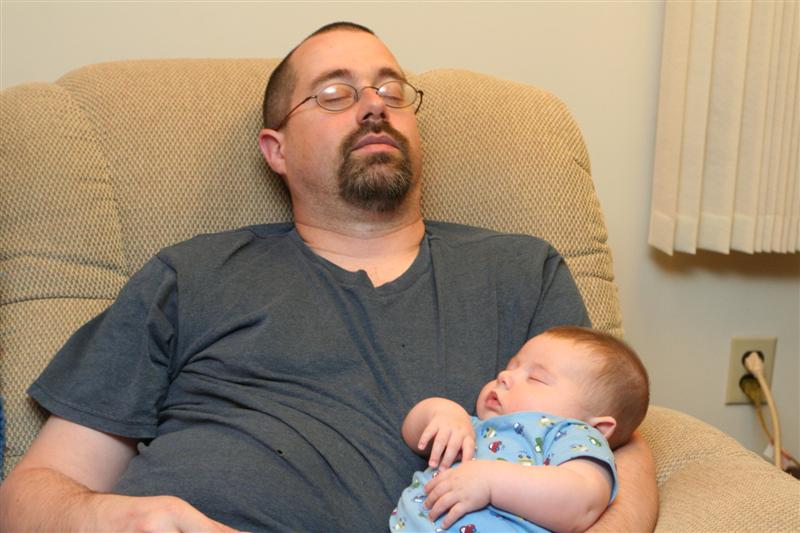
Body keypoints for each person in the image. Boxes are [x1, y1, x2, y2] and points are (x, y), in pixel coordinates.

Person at [0, 22, 658, 532]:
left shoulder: (519, 271)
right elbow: (33, 490)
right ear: (277, 150)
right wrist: (120, 518)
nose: (373, 107)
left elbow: (617, 446)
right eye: (335, 94)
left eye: (391, 90)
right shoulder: (190, 274)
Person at [390, 326, 649, 532]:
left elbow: (583, 504)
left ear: (597, 428)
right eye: (511, 366)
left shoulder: (570, 436)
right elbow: (414, 436)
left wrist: (491, 483)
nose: (504, 376)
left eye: (535, 378)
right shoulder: (471, 427)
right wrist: (443, 412)